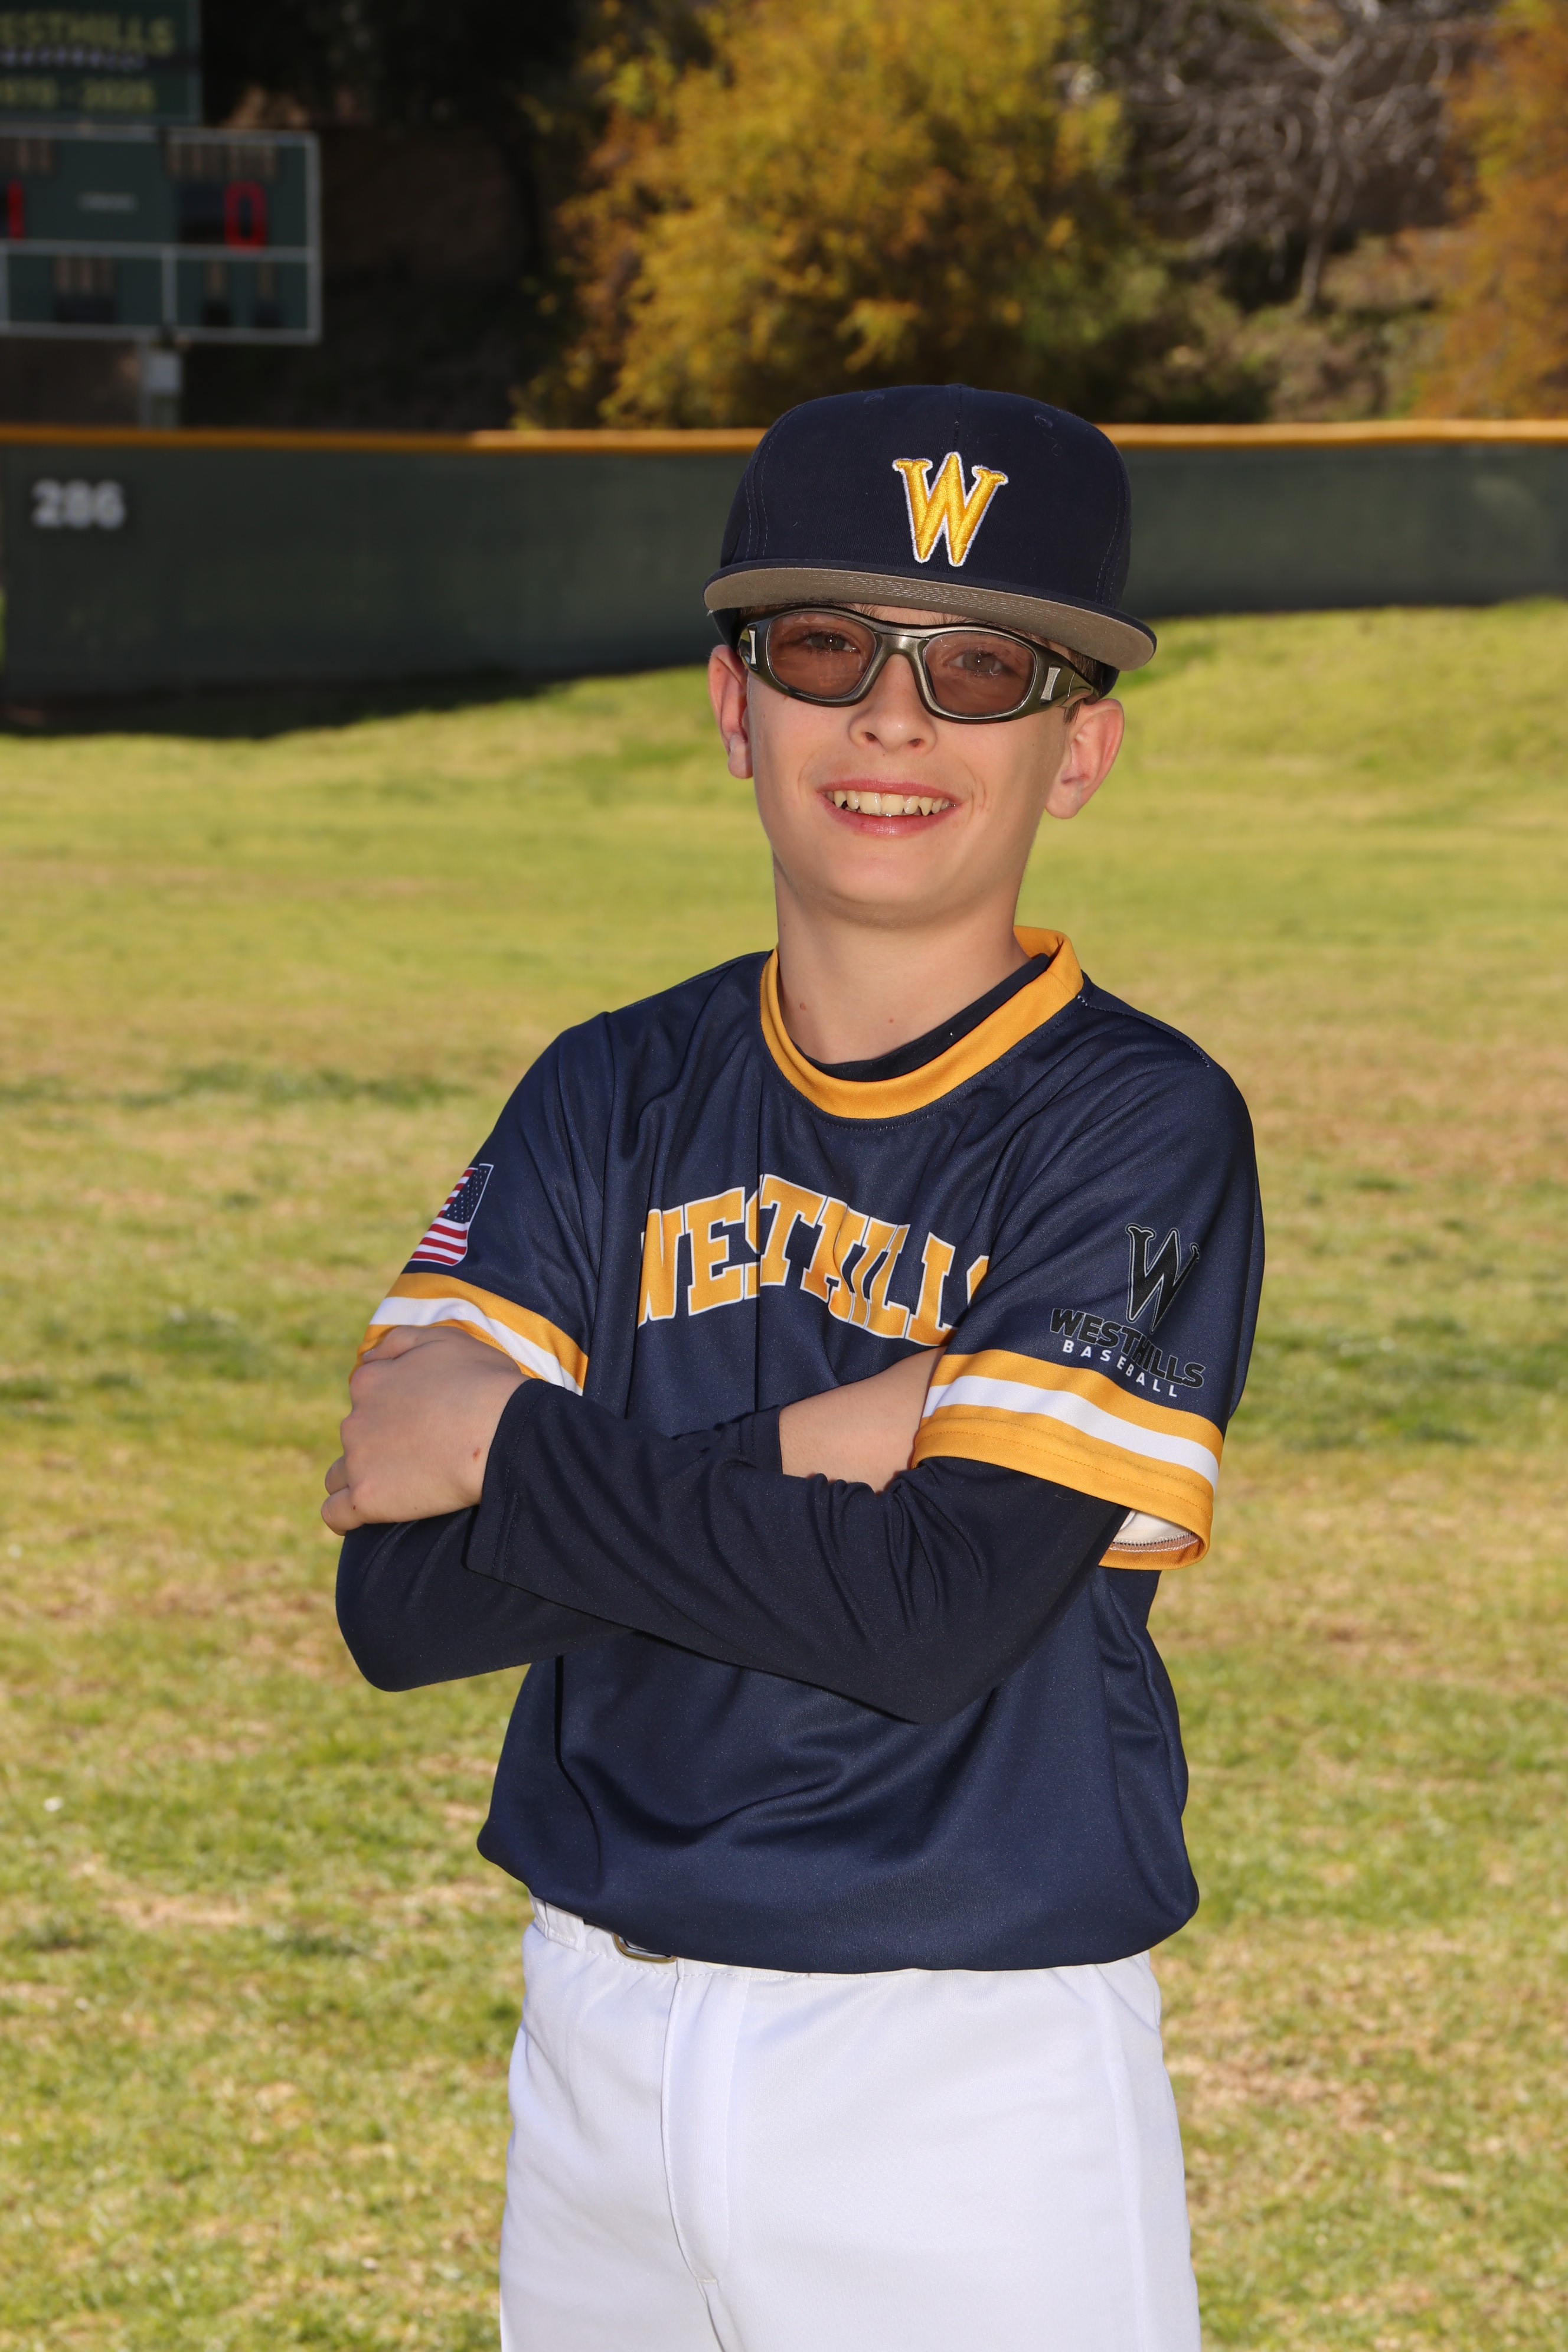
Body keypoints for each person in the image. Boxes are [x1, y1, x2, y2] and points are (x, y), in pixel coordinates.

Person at [325, 384, 1264, 2352]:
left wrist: (516, 1446)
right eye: (828, 647)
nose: (895, 720)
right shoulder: (608, 1090)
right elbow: (400, 1606)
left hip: (967, 2075)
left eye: (980, 667)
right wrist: (839, 1434)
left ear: (1079, 747)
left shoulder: (1138, 1124)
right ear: (736, 705)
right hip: (597, 2045)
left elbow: (934, 1616)